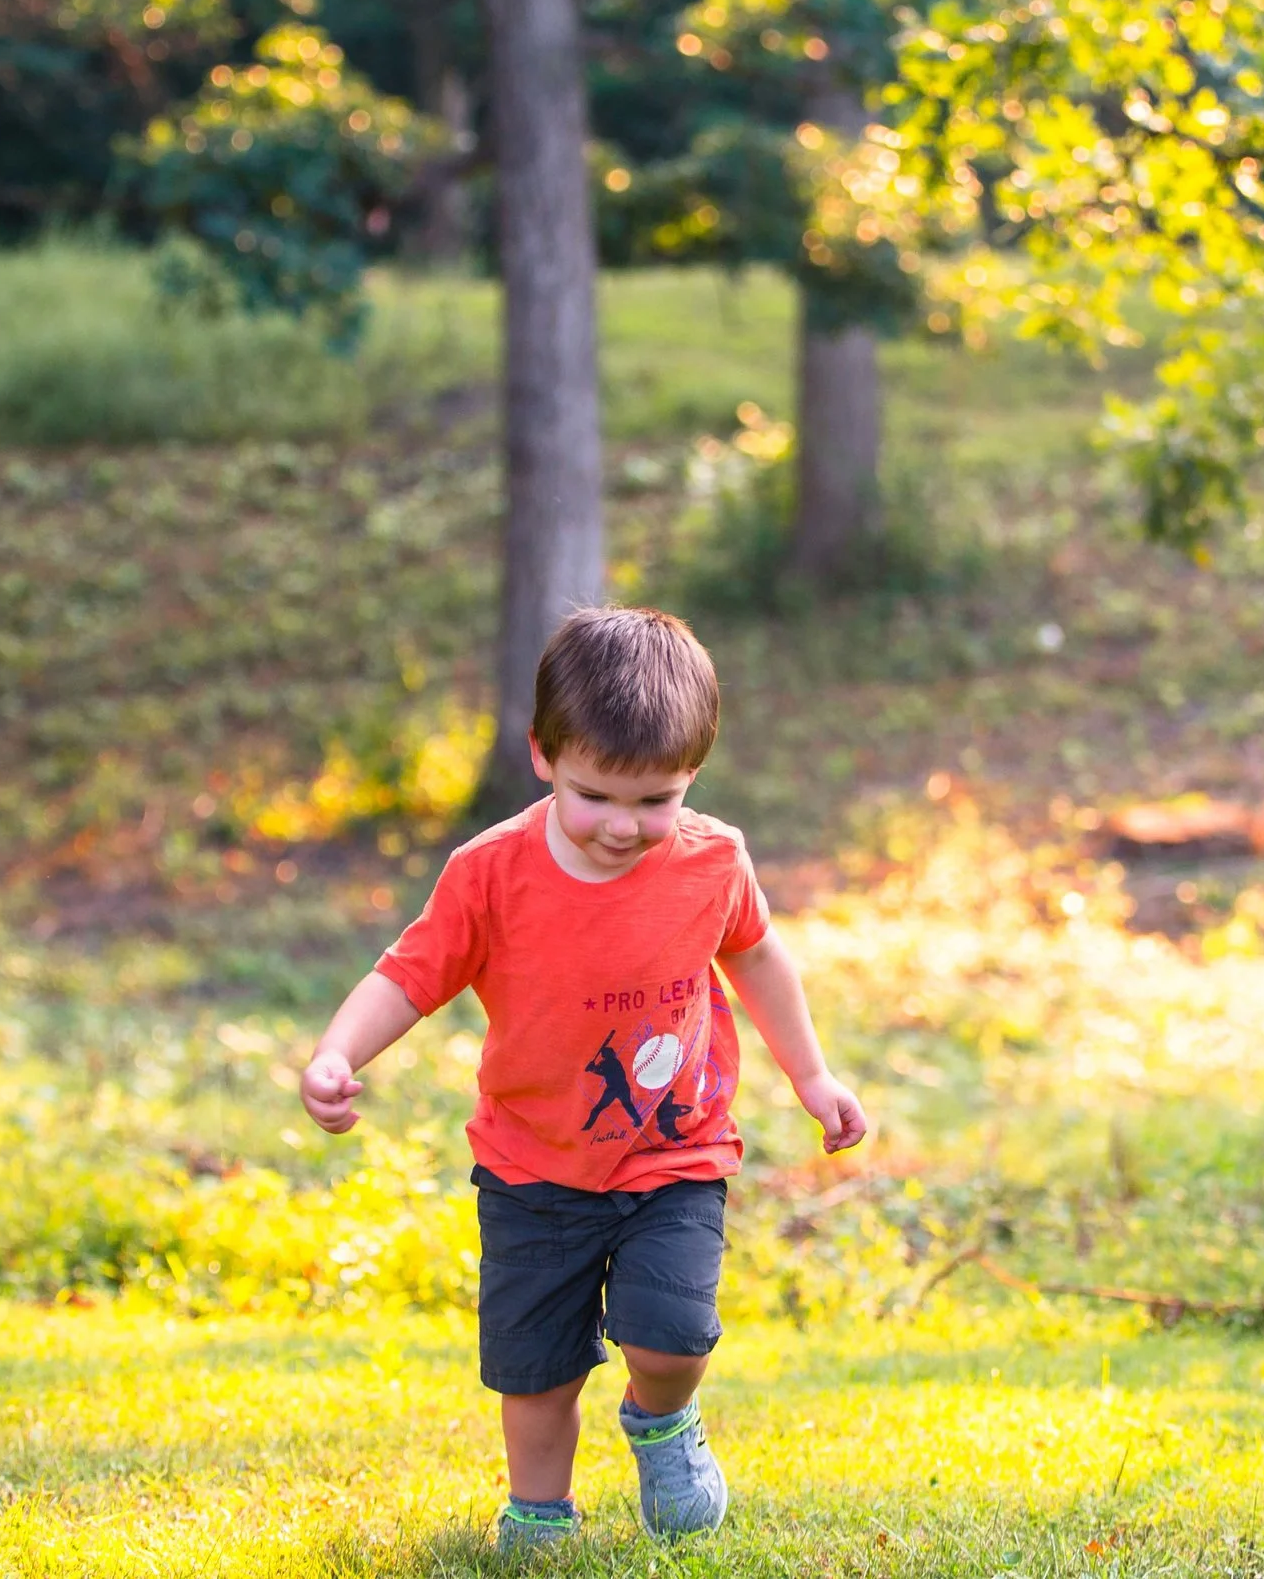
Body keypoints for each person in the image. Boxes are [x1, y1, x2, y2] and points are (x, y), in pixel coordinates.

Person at [297, 605, 868, 1551]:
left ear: (693, 777)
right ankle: (540, 1513)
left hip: (674, 1148)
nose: (624, 825)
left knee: (672, 1334)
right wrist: (335, 1053)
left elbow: (758, 958)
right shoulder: (491, 874)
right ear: (541, 755)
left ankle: (662, 1420)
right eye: (596, 795)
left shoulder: (712, 860)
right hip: (532, 1166)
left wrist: (812, 1076)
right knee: (537, 1371)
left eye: (658, 800)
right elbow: (408, 974)